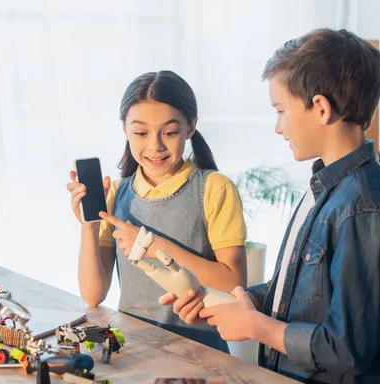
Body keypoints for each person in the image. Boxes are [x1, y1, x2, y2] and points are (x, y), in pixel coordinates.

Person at [160, 29, 380, 384]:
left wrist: (255, 326)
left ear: (321, 108)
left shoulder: (365, 209)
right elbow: (299, 293)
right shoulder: (326, 189)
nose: (278, 127)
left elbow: (346, 348)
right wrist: (228, 303)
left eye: (281, 111)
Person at [67, 70, 247, 353]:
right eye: (140, 132)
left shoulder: (214, 188)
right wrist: (88, 227)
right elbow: (92, 294)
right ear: (125, 130)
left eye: (170, 132)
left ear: (191, 127)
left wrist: (153, 246)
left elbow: (234, 283)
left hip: (200, 355)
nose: (155, 145)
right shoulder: (115, 194)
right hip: (133, 352)